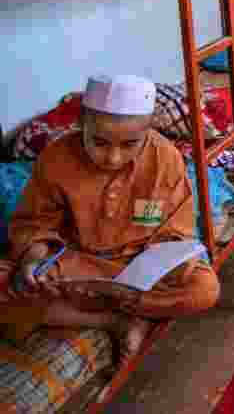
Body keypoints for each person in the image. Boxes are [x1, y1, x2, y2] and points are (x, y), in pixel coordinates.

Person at [0, 75, 220, 366]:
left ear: (148, 130)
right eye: (100, 142)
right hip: (75, 262)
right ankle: (115, 320)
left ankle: (129, 304)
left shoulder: (165, 158)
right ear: (81, 126)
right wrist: (32, 261)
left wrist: (153, 270)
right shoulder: (55, 159)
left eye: (130, 144)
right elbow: (36, 225)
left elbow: (175, 232)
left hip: (138, 265)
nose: (113, 158)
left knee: (204, 288)